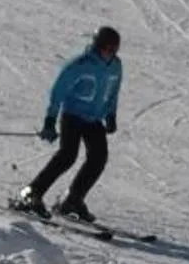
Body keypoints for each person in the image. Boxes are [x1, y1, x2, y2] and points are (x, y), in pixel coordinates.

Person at [17, 27, 123, 224]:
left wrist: (111, 114)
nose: (110, 53)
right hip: (73, 116)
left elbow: (113, 92)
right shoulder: (80, 64)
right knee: (67, 155)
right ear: (97, 46)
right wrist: (50, 120)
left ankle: (72, 199)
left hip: (94, 119)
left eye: (114, 49)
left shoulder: (116, 67)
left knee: (98, 158)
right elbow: (58, 92)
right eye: (107, 49)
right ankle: (31, 193)